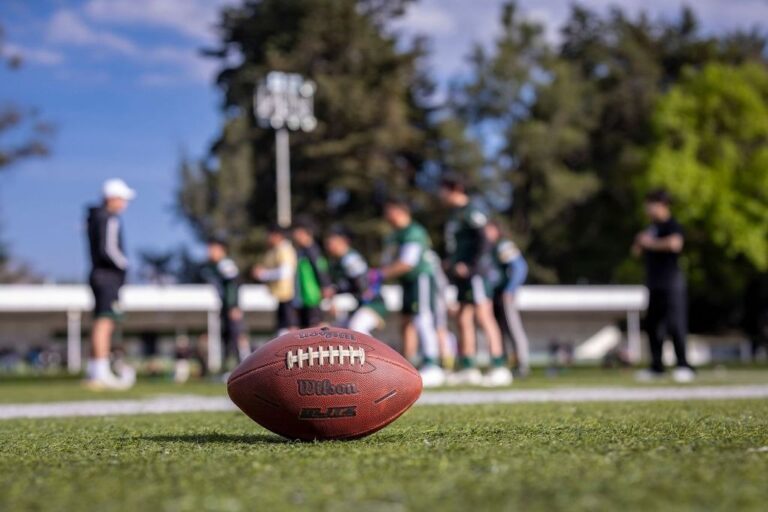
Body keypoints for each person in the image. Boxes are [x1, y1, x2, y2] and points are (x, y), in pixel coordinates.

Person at [439, 174, 512, 386]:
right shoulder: (454, 215)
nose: (440, 195)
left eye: (443, 190)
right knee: (463, 318)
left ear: (455, 189)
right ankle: (469, 367)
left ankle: (499, 366)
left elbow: (485, 240)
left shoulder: (472, 212)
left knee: (484, 316)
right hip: (460, 276)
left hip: (476, 275)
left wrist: (472, 266)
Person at [377, 197, 445, 387]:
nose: (385, 216)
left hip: (420, 279)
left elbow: (408, 262)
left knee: (422, 318)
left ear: (400, 211)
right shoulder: (394, 235)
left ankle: (432, 364)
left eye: (388, 211)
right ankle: (408, 366)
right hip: (406, 282)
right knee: (406, 321)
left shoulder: (414, 232)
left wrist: (381, 274)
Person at [632, 188, 695, 382]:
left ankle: (683, 365)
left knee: (676, 324)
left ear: (661, 205)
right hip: (654, 283)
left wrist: (650, 243)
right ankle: (656, 367)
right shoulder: (650, 227)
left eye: (650, 204)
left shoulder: (672, 224)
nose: (647, 209)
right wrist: (640, 244)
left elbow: (675, 244)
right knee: (653, 325)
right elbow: (636, 252)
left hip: (672, 282)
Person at [84, 178, 137, 390]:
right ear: (112, 198)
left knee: (100, 321)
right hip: (108, 276)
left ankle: (95, 371)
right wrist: (124, 265)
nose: (124, 203)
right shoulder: (109, 218)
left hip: (98, 274)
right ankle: (101, 372)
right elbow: (109, 249)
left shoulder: (94, 217)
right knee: (105, 322)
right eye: (122, 199)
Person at [485, 220, 531, 378]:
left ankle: (522, 363)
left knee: (513, 327)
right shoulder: (490, 248)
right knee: (499, 329)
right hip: (494, 293)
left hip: (505, 293)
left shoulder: (503, 245)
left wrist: (510, 289)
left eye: (489, 229)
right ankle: (503, 363)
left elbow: (520, 267)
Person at [323, 225, 388, 335]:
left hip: (372, 304)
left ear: (343, 240)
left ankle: (371, 352)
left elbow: (363, 288)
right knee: (336, 332)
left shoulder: (351, 259)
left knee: (357, 328)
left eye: (332, 239)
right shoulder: (335, 262)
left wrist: (336, 300)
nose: (328, 243)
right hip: (357, 305)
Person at [199, 235, 248, 368]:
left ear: (221, 249)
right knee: (226, 337)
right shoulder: (215, 266)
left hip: (231, 307)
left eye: (212, 249)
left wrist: (234, 306)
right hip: (225, 307)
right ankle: (229, 368)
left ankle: (240, 368)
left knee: (234, 337)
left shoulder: (226, 264)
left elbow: (233, 285)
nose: (209, 252)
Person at [253, 224, 298, 335]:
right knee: (282, 329)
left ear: (277, 235)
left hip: (288, 296)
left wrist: (263, 274)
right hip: (282, 296)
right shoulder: (275, 250)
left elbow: (286, 272)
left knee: (289, 331)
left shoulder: (284, 249)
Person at [291, 216, 332, 328]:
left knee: (316, 329)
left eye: (297, 231)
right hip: (303, 298)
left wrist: (326, 286)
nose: (294, 235)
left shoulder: (313, 250)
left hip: (312, 297)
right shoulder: (300, 251)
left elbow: (321, 269)